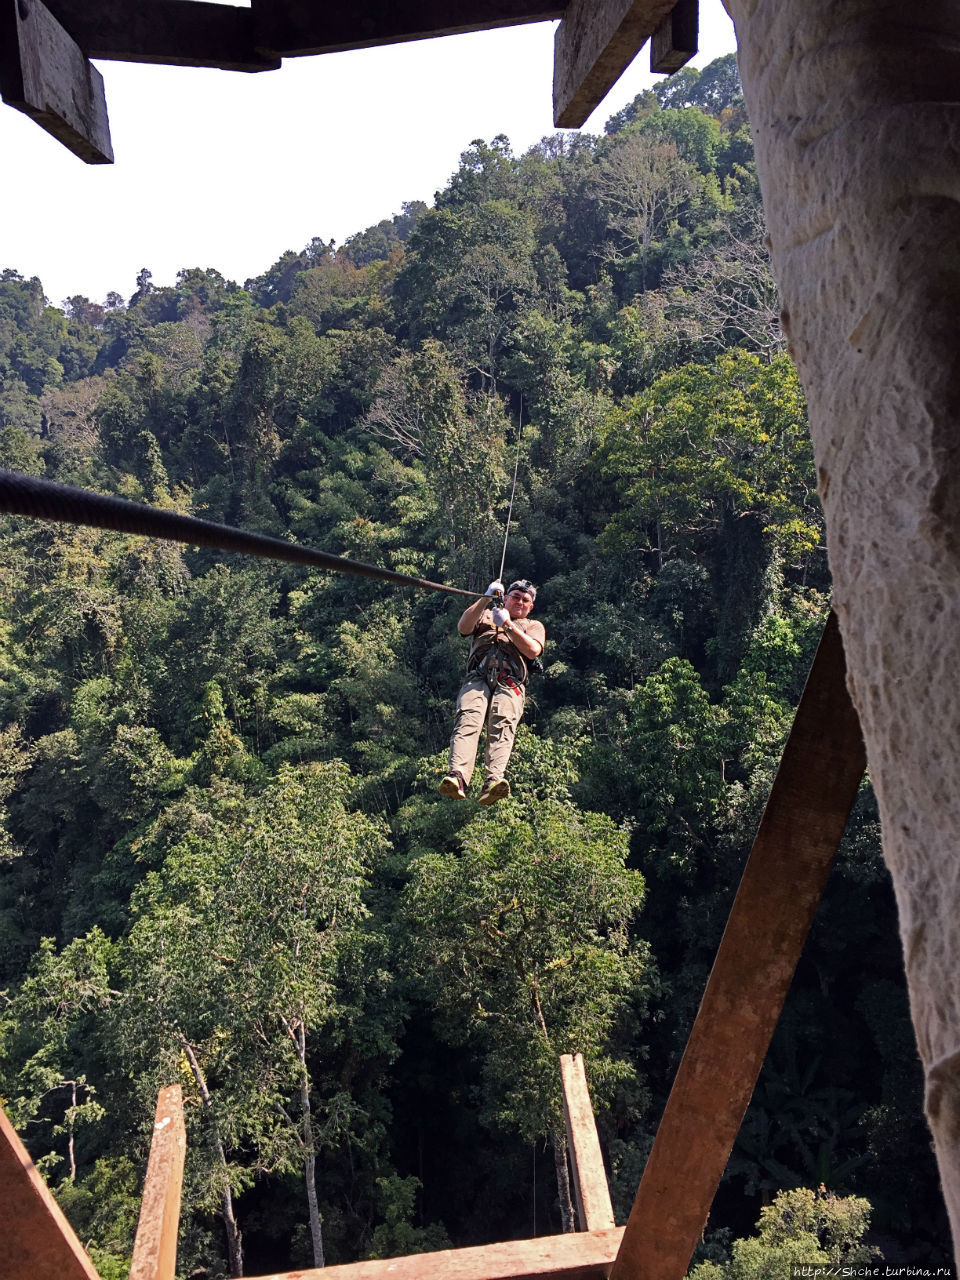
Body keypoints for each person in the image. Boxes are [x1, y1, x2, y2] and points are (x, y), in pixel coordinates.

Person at [439, 579, 545, 804]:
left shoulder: (533, 626)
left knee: (503, 723)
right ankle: (457, 775)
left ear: (530, 606)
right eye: (515, 596)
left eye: (525, 600)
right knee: (468, 718)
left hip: (511, 680)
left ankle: (494, 780)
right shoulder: (486, 615)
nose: (519, 602)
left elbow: (533, 650)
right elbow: (464, 627)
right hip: (478, 676)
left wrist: (507, 625)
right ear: (505, 598)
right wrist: (486, 597)